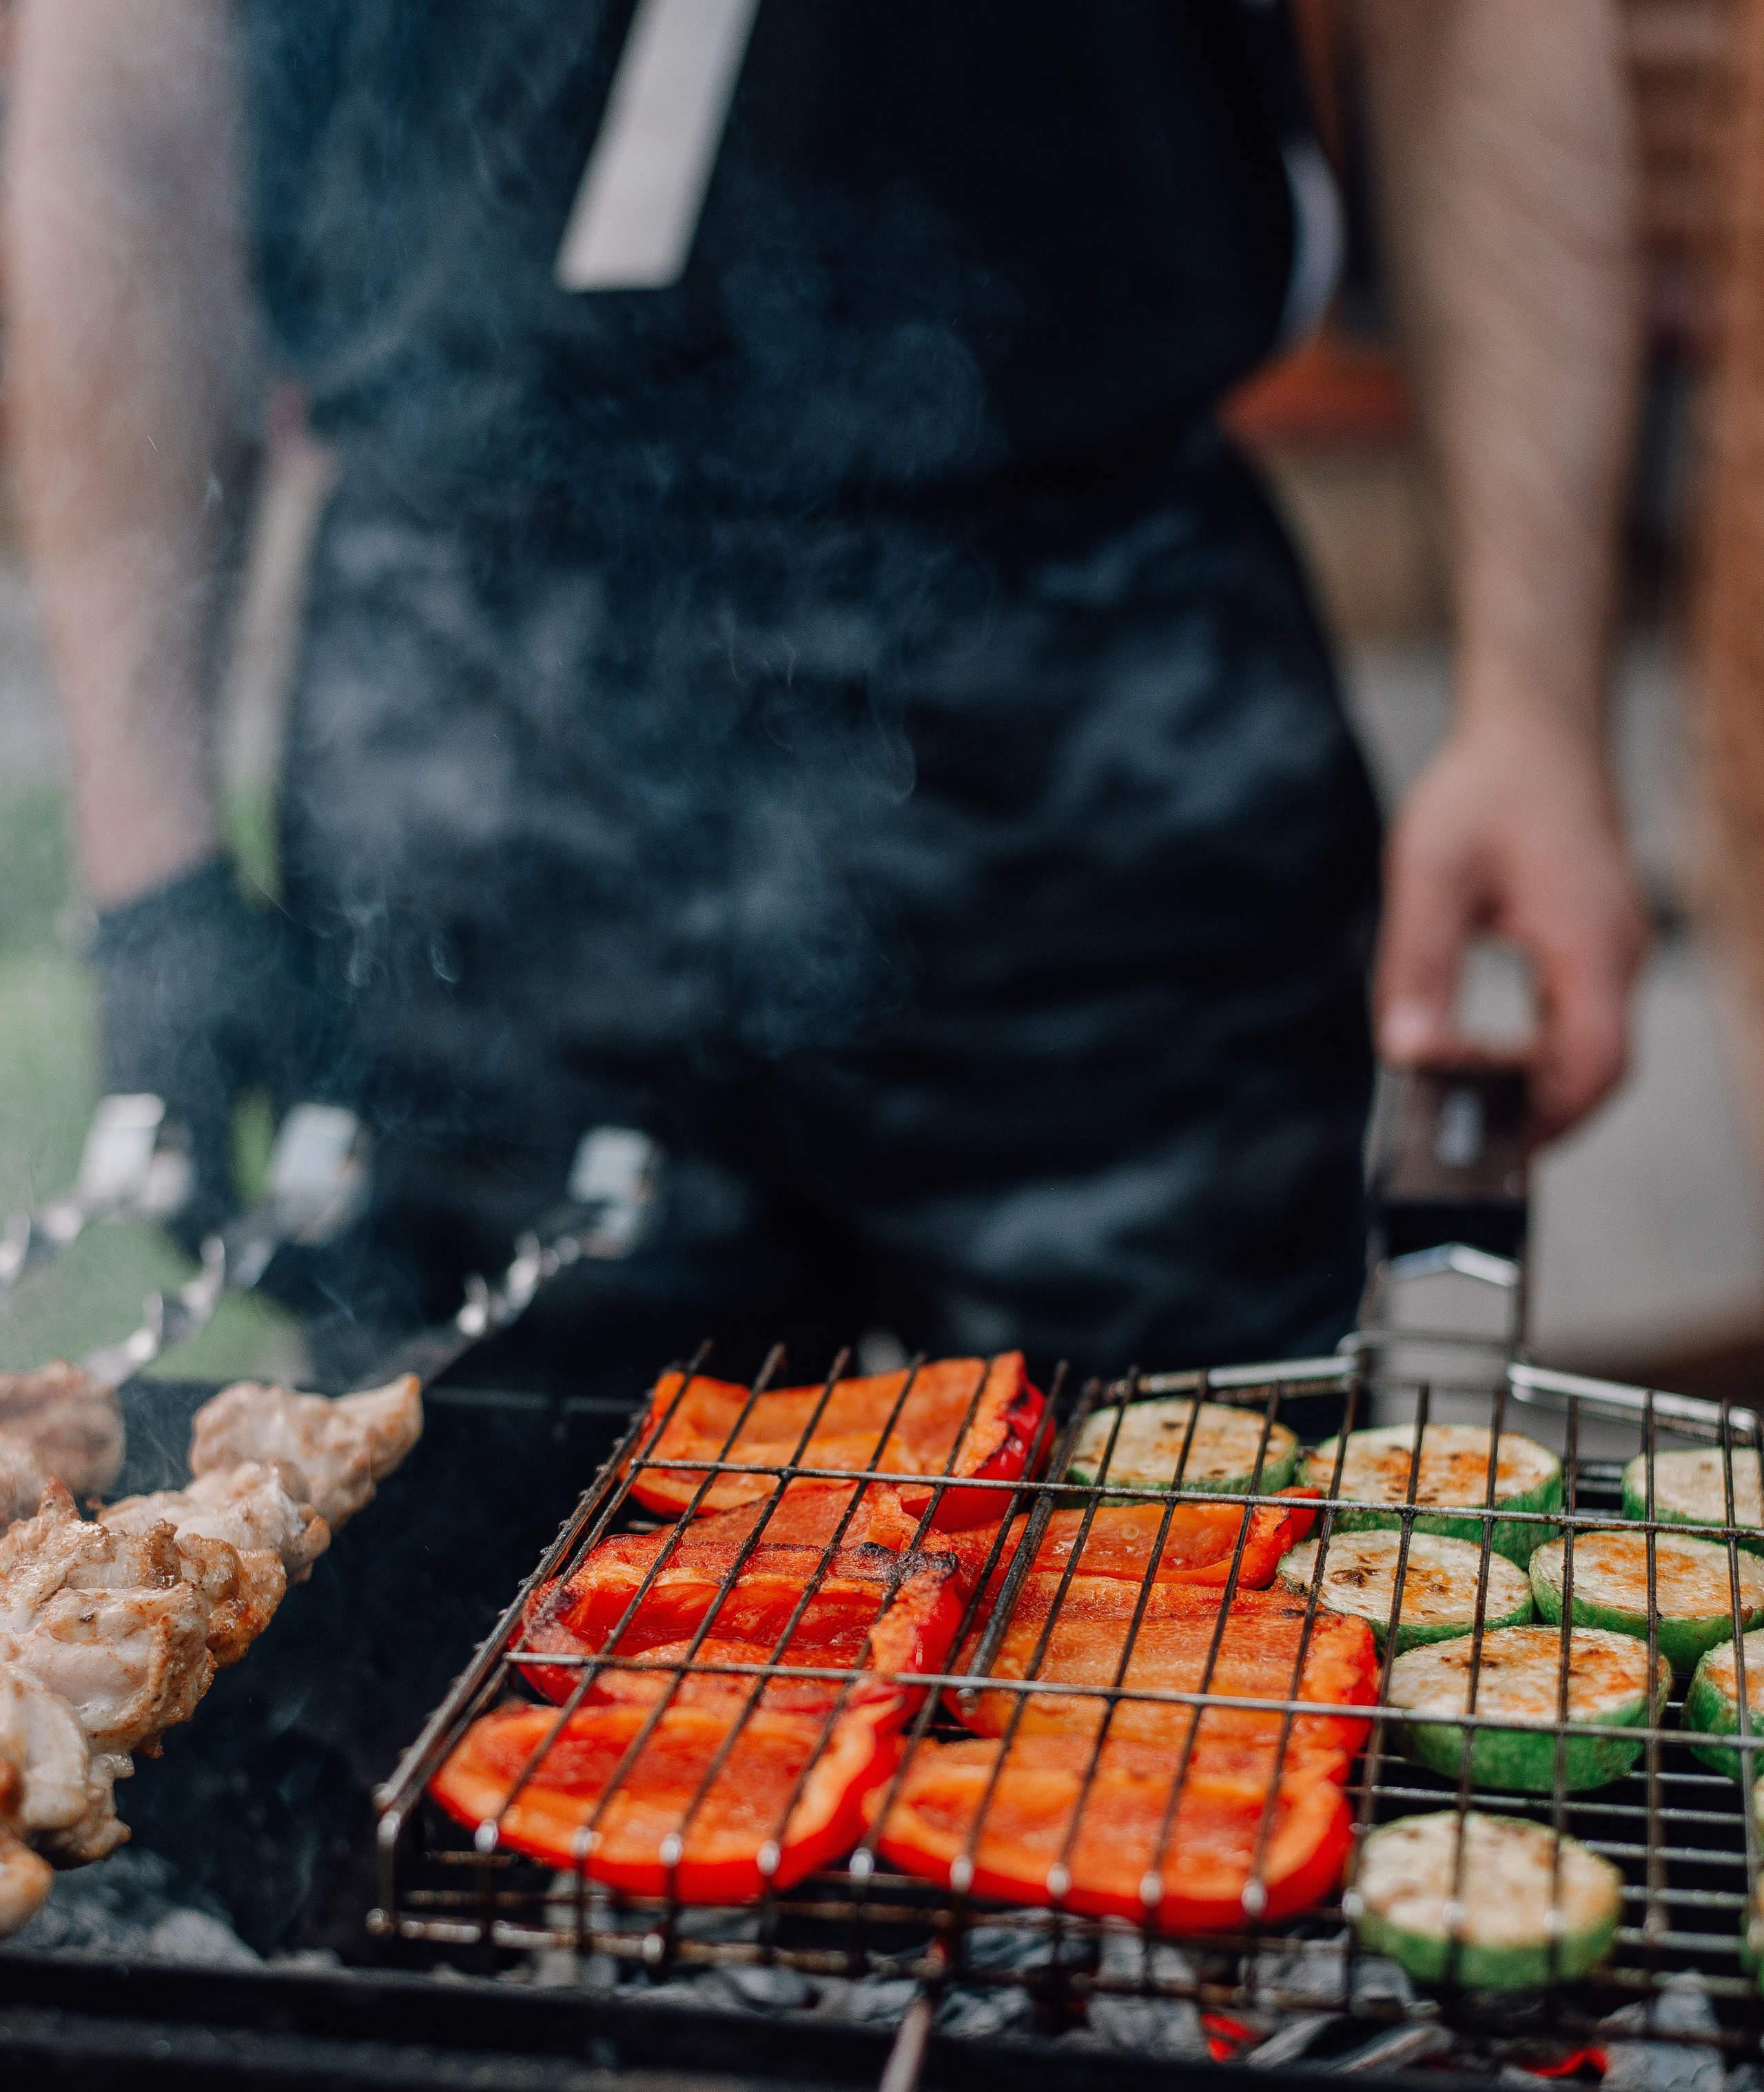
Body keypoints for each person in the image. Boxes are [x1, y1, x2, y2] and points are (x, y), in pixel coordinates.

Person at [3, 0, 1648, 1393]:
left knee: (1179, 1625)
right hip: (470, 720)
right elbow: (124, 80)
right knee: (469, 1633)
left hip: (1090, 697)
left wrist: (1532, 712)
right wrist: (149, 864)